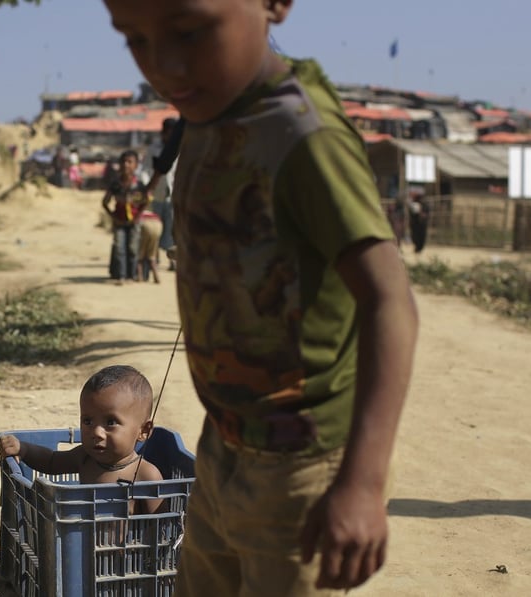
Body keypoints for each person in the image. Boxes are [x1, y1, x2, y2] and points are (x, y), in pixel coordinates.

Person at [101, 1, 419, 595]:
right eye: (134, 39)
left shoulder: (304, 135)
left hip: (305, 469)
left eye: (190, 30)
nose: (163, 65)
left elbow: (390, 302)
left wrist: (362, 484)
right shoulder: (205, 113)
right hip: (224, 447)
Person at [0, 365, 164, 514]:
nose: (96, 432)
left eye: (111, 422)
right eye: (88, 421)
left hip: (130, 549)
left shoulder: (147, 475)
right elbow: (51, 461)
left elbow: (159, 527)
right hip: (82, 545)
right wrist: (24, 449)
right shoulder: (85, 457)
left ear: (143, 431)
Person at [102, 150, 148, 284]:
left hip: (134, 222)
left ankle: (131, 275)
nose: (126, 165)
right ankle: (121, 276)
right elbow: (105, 202)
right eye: (123, 162)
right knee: (119, 247)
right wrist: (113, 217)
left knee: (133, 248)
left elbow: (145, 202)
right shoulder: (116, 184)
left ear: (136, 165)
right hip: (120, 221)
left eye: (130, 162)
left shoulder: (138, 185)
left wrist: (137, 216)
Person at [146, 117, 184, 270]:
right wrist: (148, 186)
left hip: (174, 193)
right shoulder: (154, 148)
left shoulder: (183, 146)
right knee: (156, 228)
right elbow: (147, 168)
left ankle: (173, 261)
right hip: (157, 193)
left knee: (171, 226)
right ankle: (154, 259)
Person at [136, 203, 163, 283]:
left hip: (145, 224)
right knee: (152, 255)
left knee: (140, 254)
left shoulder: (138, 212)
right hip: (158, 224)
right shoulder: (152, 212)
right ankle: (156, 277)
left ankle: (140, 276)